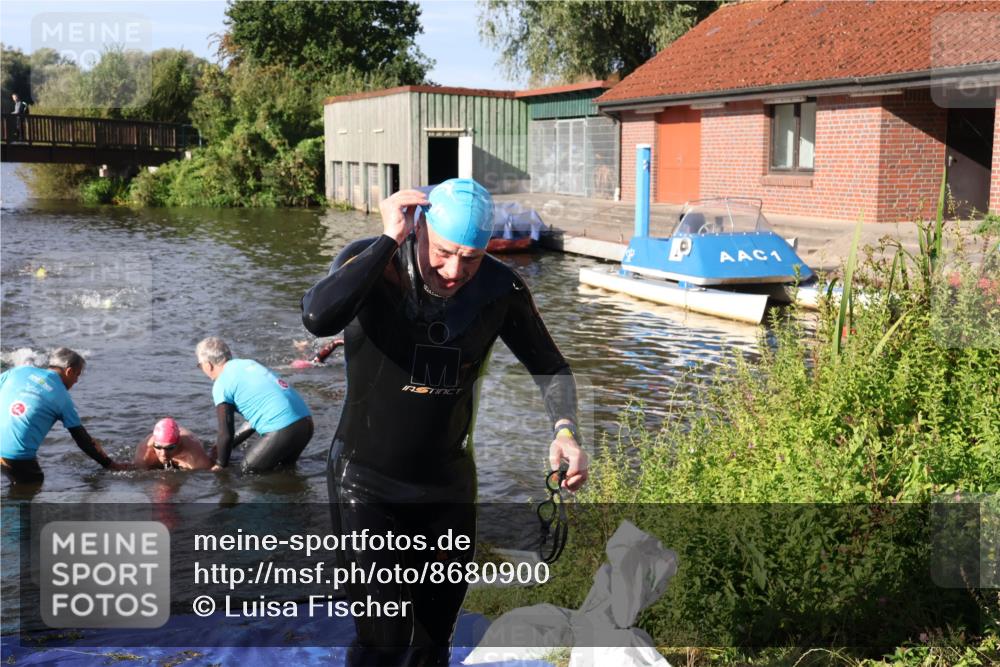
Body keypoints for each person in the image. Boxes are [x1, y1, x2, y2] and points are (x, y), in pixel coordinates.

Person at [301, 178, 588, 666]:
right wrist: (387, 238)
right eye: (443, 252)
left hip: (447, 488)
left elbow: (551, 365)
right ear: (419, 229)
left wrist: (566, 431)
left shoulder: (500, 289)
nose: (454, 271)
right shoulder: (372, 263)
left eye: (470, 258)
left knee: (435, 638)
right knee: (385, 638)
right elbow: (317, 317)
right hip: (365, 483)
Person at [0, 347, 126, 485]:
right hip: (16, 457)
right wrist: (110, 465)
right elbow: (82, 440)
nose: (76, 381)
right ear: (69, 371)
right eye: (77, 375)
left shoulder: (19, 371)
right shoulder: (62, 397)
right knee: (33, 485)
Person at [195, 337, 314, 473]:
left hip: (283, 428)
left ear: (208, 365)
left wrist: (220, 465)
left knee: (246, 473)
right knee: (285, 471)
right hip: (305, 423)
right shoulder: (249, 364)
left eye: (200, 365)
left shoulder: (221, 383)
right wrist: (225, 446)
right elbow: (255, 419)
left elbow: (225, 433)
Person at [134, 417, 215, 471]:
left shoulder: (192, 450)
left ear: (178, 443)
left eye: (169, 448)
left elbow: (207, 472)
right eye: (158, 447)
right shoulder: (145, 451)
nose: (163, 454)